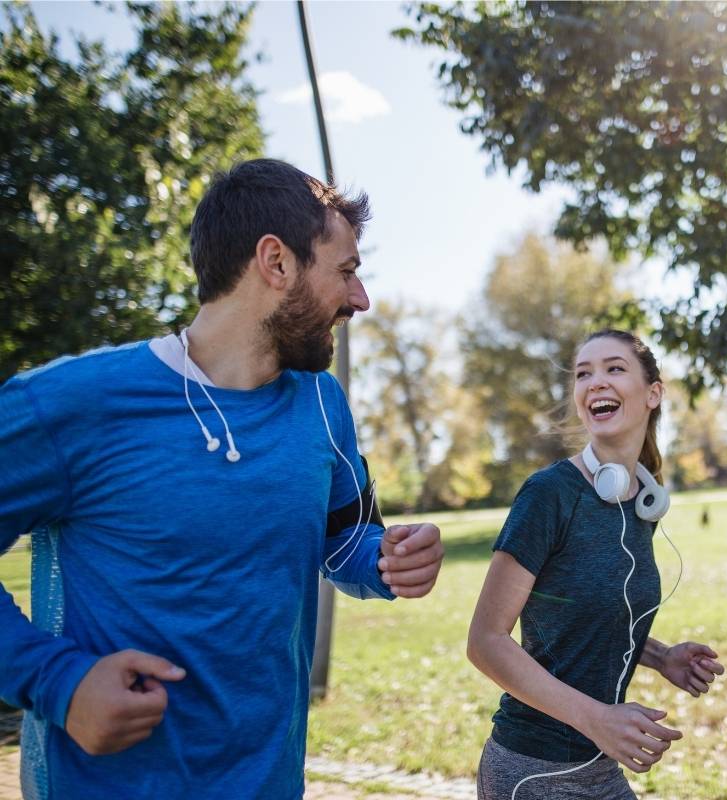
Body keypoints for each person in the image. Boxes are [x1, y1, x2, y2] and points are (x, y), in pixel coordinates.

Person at [0, 158, 445, 798]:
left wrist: (388, 560)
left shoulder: (323, 403)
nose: (360, 299)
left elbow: (347, 540)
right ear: (276, 262)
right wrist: (56, 682)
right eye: (346, 271)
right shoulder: (74, 405)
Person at [468, 329, 725, 800]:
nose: (595, 382)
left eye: (614, 368)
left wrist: (662, 656)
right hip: (531, 770)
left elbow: (590, 615)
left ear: (653, 393)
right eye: (583, 373)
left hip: (600, 769)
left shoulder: (641, 505)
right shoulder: (550, 494)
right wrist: (598, 719)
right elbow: (485, 642)